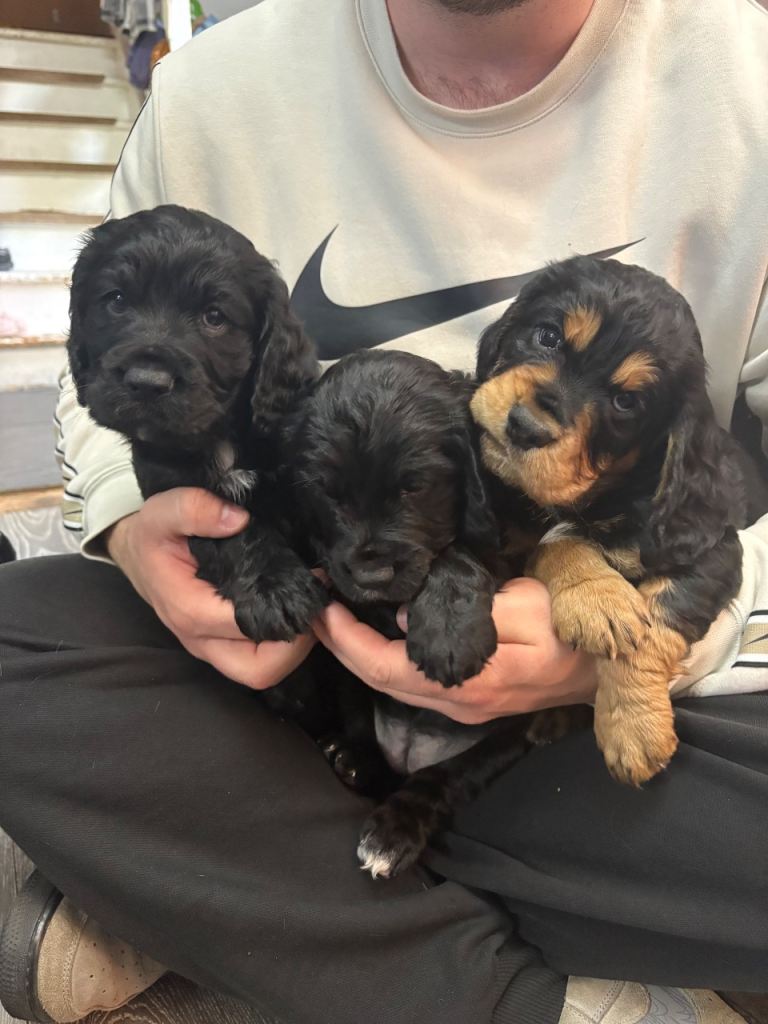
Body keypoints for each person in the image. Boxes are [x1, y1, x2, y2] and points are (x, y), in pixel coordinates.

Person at [1, 1, 767, 1022]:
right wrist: (135, 523)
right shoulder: (205, 94)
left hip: (589, 710)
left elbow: (722, 521)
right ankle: (543, 985)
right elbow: (95, 376)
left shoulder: (749, 77)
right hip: (299, 652)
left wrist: (645, 649)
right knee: (16, 635)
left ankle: (207, 882)